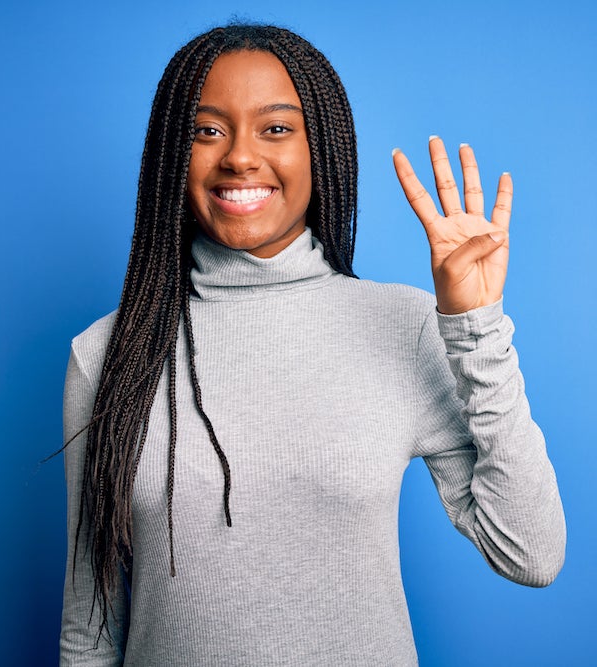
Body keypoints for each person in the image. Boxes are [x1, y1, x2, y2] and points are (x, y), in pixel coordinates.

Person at [59, 23, 566, 666]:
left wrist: (477, 325)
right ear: (170, 156)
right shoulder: (106, 355)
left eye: (275, 128)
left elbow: (530, 553)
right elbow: (91, 628)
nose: (239, 156)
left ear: (319, 148)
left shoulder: (404, 325)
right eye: (206, 129)